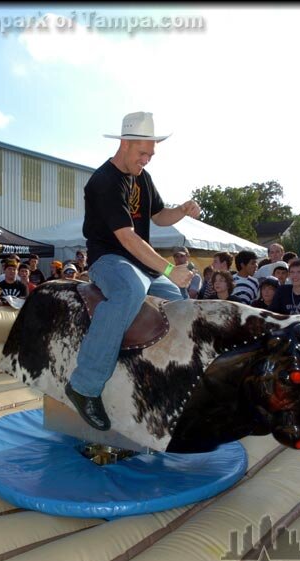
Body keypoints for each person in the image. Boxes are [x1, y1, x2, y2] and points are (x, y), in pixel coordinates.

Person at [65, 111, 200, 431]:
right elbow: (126, 236)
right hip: (109, 259)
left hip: (142, 264)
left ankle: (164, 379)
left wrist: (181, 210)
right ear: (124, 143)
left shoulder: (143, 177)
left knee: (181, 304)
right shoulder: (103, 182)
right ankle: (84, 387)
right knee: (129, 291)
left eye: (151, 154)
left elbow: (159, 217)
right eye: (143, 153)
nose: (148, 160)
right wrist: (168, 267)